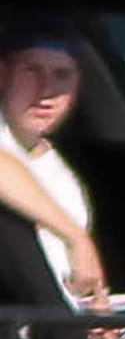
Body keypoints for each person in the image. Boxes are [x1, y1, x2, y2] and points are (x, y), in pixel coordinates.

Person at [0, 21, 109, 312]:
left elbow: (71, 273)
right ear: (2, 73)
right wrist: (77, 238)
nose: (46, 91)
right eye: (32, 71)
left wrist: (95, 307)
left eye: (62, 75)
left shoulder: (64, 178)